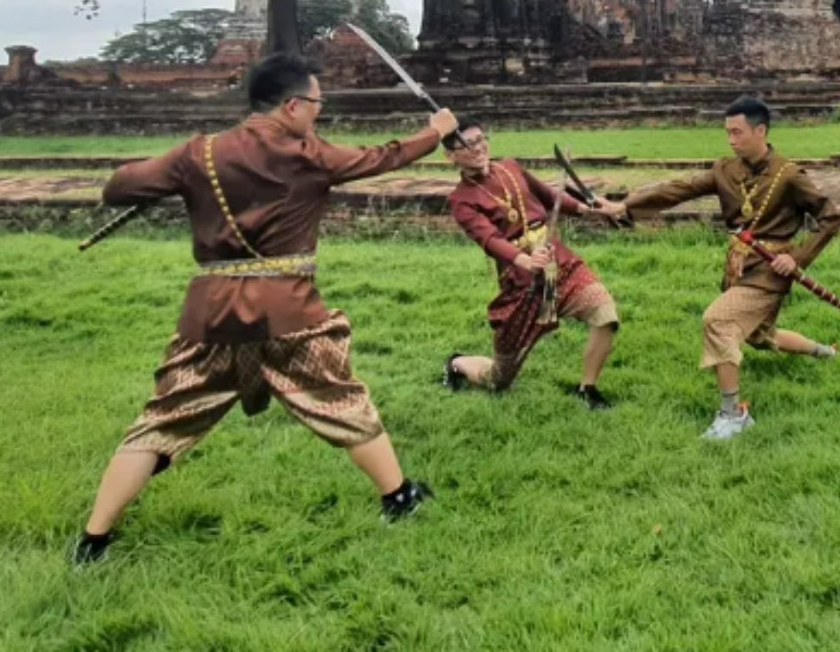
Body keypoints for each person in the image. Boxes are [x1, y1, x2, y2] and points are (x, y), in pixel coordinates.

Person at [70, 53, 458, 565]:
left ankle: (94, 540)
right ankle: (398, 495)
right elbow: (379, 158)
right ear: (293, 106)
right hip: (287, 309)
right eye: (317, 104)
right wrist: (435, 132)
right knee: (339, 398)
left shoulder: (199, 153)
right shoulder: (310, 155)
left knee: (163, 417)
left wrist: (183, 180)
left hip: (209, 314)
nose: (319, 113)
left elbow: (119, 188)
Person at [612, 96, 840, 440]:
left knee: (719, 321)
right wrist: (624, 206)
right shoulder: (726, 170)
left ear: (760, 131)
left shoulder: (789, 175)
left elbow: (831, 216)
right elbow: (678, 190)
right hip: (737, 267)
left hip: (770, 272)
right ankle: (824, 352)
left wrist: (796, 258)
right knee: (758, 336)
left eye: (737, 133)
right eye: (727, 133)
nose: (731, 140)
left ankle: (733, 415)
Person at [442, 118, 626, 408]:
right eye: (464, 146)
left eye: (479, 139)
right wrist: (526, 260)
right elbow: (489, 239)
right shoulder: (462, 200)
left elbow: (551, 196)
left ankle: (587, 390)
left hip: (559, 266)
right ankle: (457, 363)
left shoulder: (511, 168)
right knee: (498, 379)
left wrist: (587, 210)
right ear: (450, 156)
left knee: (605, 314)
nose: (476, 148)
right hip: (522, 285)